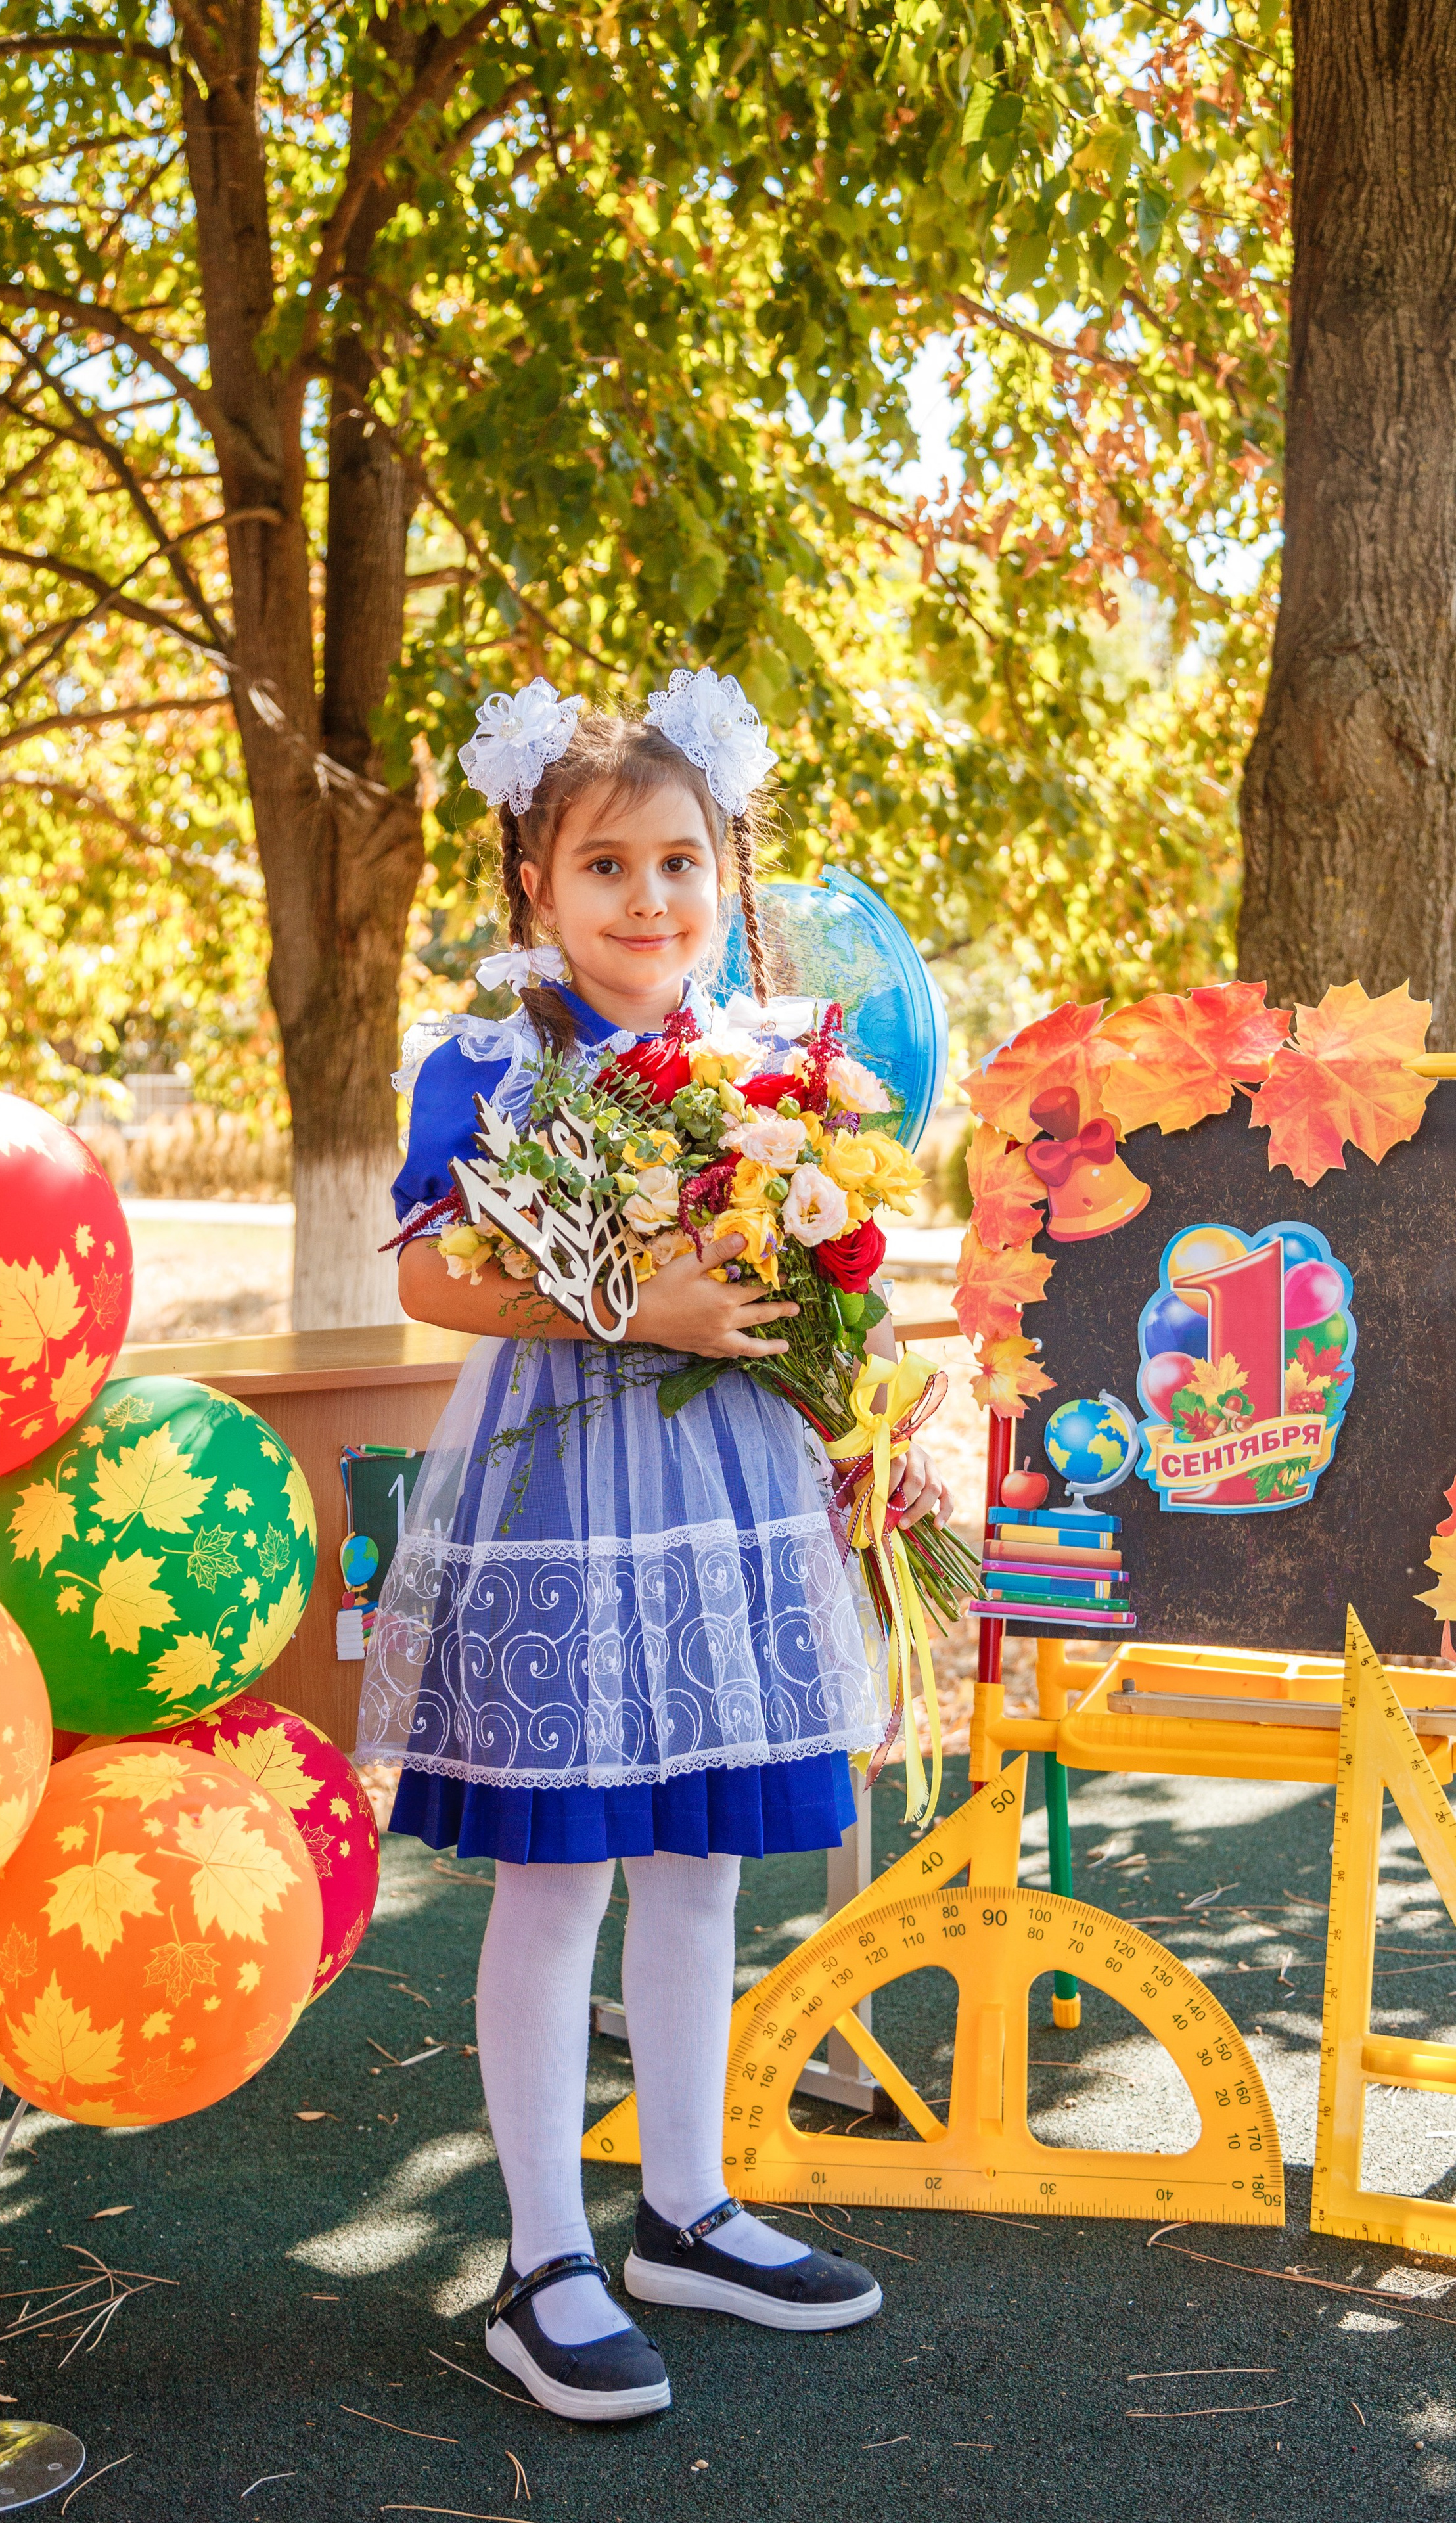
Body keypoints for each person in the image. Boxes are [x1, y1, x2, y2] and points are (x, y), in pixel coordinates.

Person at [357, 670, 951, 2424]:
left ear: (728, 869)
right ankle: (548, 2261)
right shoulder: (488, 1066)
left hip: (734, 1508)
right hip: (560, 1499)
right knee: (565, 1879)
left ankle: (687, 2207)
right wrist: (631, 1298)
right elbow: (421, 1271)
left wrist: (868, 1418)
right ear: (534, 888)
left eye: (681, 863)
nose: (649, 901)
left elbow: (831, 1268)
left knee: (704, 1866)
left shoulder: (782, 1067)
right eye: (604, 866)